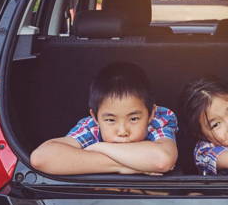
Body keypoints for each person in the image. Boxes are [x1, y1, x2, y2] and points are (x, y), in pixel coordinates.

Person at [30, 62, 178, 175]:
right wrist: (127, 166)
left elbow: (162, 161)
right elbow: (41, 158)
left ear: (151, 113)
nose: (122, 131)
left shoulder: (159, 119)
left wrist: (99, 148)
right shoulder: (91, 127)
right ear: (95, 117)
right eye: (110, 120)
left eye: (133, 119)